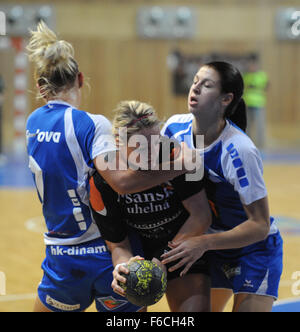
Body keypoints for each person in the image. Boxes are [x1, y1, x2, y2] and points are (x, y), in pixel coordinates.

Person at [25, 22, 197, 312]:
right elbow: (122, 183)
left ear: (41, 88)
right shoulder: (91, 124)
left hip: (61, 253)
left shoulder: (32, 123)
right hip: (105, 248)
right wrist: (182, 165)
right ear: (80, 78)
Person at [160, 61, 283, 312]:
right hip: (209, 246)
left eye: (206, 85)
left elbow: (259, 225)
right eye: (195, 82)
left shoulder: (240, 149)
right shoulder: (173, 128)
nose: (195, 89)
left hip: (252, 250)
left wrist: (204, 242)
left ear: (226, 98)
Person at [89, 100, 212, 312]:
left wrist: (162, 259)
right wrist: (123, 266)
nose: (152, 153)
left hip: (180, 243)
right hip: (137, 248)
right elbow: (118, 244)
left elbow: (201, 216)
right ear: (118, 142)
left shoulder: (177, 154)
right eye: (140, 147)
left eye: (156, 143)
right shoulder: (101, 180)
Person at [243, 53, 269, 149]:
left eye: (253, 64)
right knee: (248, 126)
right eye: (250, 64)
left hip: (258, 104)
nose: (251, 66)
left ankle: (261, 146)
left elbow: (267, 86)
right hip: (247, 104)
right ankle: (247, 145)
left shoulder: (262, 75)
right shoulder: (246, 76)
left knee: (260, 127)